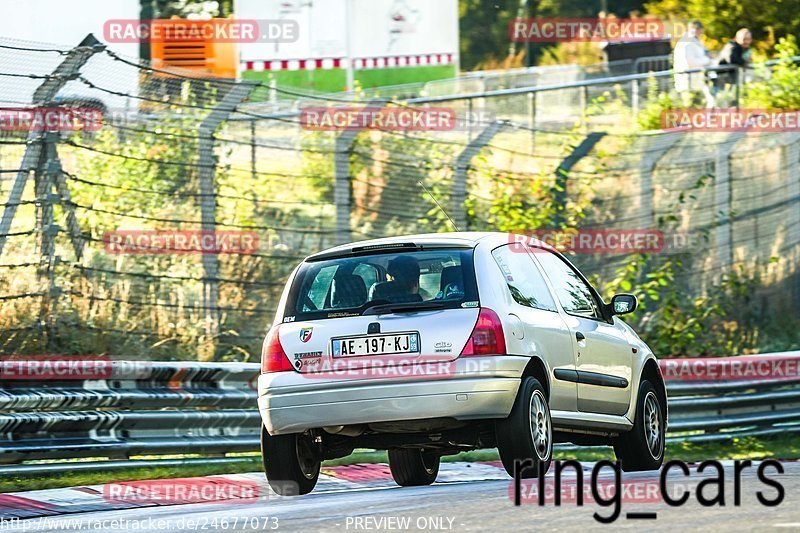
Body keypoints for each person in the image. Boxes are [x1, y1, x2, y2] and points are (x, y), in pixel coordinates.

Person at [673, 20, 715, 108]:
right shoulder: (686, 42)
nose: (699, 32)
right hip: (688, 82)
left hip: (696, 82)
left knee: (701, 106)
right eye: (696, 29)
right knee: (691, 109)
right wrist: (708, 59)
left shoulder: (695, 41)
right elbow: (691, 61)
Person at [716, 28, 753, 94]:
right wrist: (744, 63)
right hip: (722, 77)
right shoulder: (732, 46)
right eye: (744, 39)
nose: (746, 42)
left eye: (748, 39)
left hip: (732, 77)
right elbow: (732, 59)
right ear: (737, 38)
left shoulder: (744, 48)